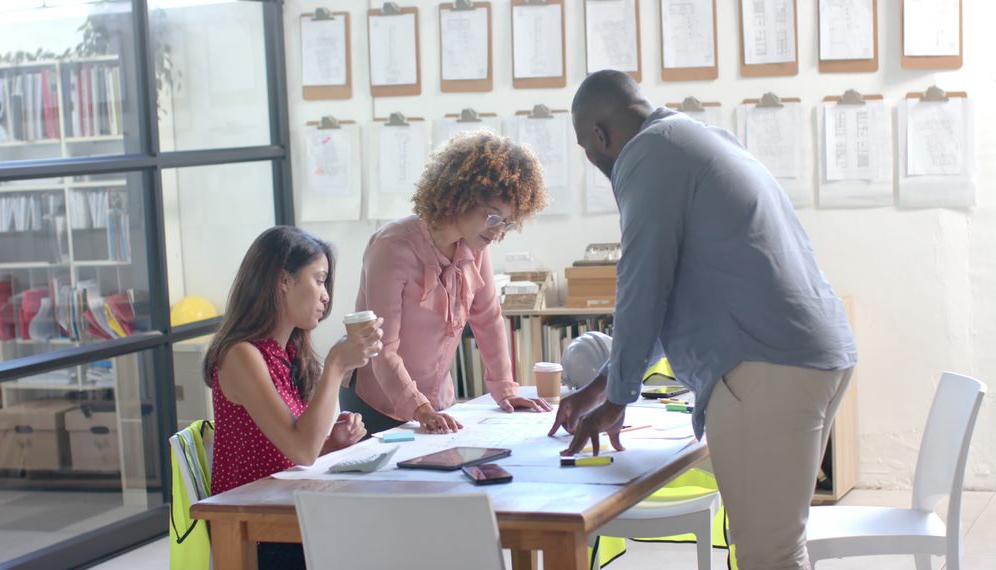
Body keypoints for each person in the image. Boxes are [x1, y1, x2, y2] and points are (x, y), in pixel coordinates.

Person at [550, 70, 857, 570]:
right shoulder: (700, 137)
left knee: (768, 553)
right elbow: (665, 295)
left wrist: (620, 394)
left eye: (587, 148)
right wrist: (609, 385)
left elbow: (642, 286)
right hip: (815, 355)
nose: (593, 160)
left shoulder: (646, 157)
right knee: (772, 542)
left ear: (600, 137)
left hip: (765, 366)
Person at [340, 130, 552, 435]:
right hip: (377, 404)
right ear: (460, 198)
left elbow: (488, 320)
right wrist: (419, 408)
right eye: (492, 217)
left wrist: (506, 389)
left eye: (506, 222)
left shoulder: (476, 247)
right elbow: (381, 348)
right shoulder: (392, 247)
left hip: (437, 401)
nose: (498, 231)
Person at [203, 226, 382, 569]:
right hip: (255, 526)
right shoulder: (242, 356)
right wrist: (336, 364)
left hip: (284, 510)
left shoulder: (286, 353)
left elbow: (296, 448)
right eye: (318, 280)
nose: (326, 295)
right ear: (284, 281)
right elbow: (300, 450)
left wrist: (331, 442)